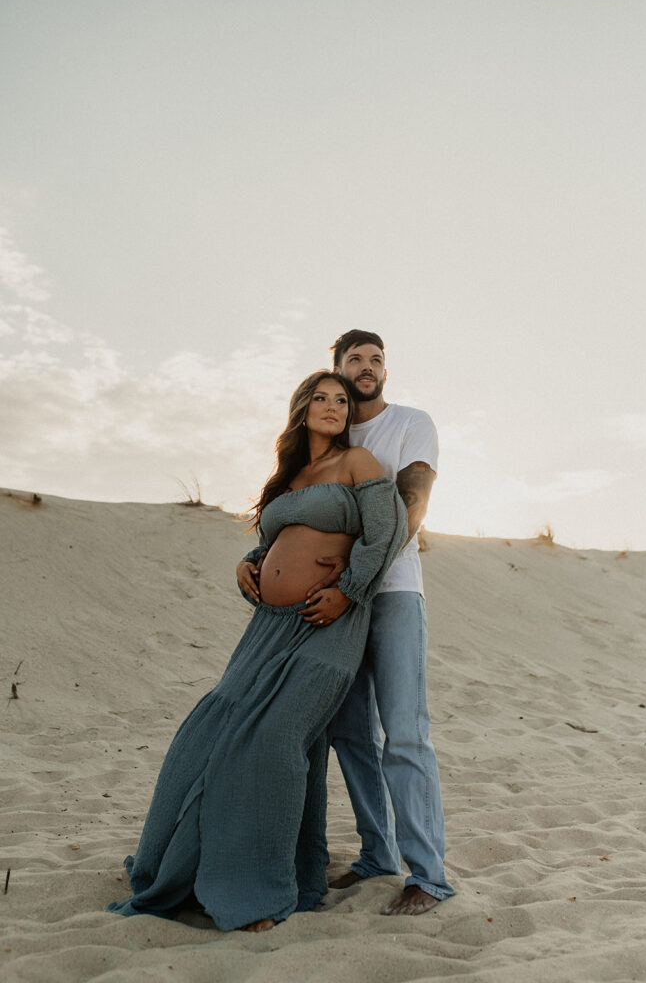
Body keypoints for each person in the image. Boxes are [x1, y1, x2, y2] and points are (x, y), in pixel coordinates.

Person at [107, 370, 407, 933]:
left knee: (273, 741)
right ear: (300, 408)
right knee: (205, 735)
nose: (333, 407)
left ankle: (260, 889)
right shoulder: (291, 476)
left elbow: (386, 533)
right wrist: (248, 563)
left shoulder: (357, 465)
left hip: (329, 624)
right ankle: (186, 868)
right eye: (320, 398)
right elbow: (273, 542)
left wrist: (348, 592)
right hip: (267, 627)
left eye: (342, 400)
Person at [320, 330, 454, 915]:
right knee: (351, 734)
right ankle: (378, 854)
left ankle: (429, 876)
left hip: (393, 594)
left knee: (404, 734)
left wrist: (357, 580)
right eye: (355, 359)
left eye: (376, 359)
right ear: (338, 369)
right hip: (337, 602)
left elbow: (413, 503)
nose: (367, 367)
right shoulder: (330, 432)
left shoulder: (411, 423)